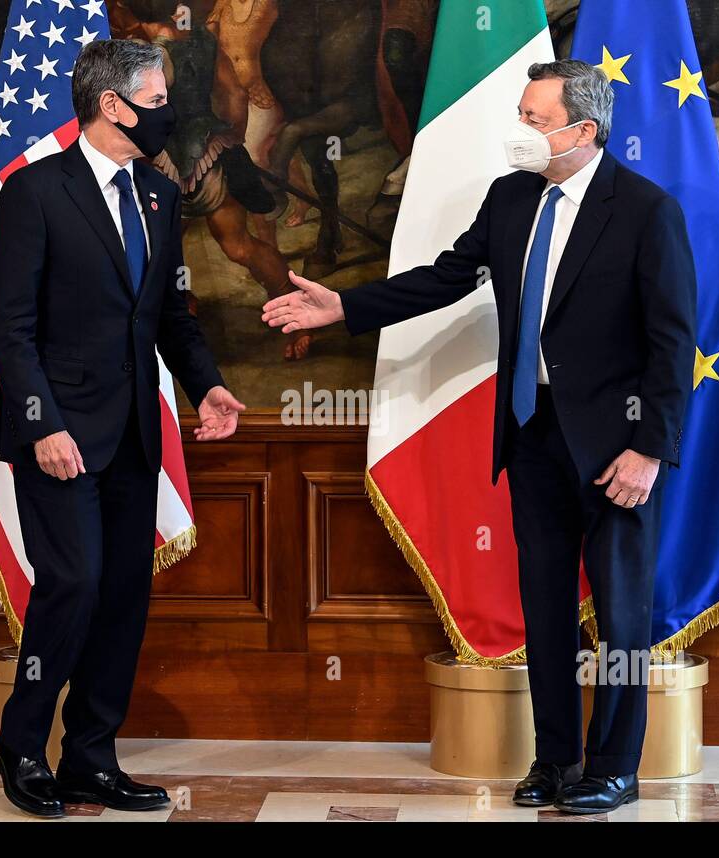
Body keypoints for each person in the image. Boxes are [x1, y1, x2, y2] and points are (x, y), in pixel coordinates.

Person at [262, 59, 696, 814]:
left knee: (624, 617)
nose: (519, 130)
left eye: (534, 117)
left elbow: (672, 341)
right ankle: (556, 759)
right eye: (523, 113)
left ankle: (615, 766)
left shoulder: (645, 210)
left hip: (618, 448)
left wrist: (649, 449)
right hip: (532, 434)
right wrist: (346, 307)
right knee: (547, 606)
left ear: (584, 130)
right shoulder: (511, 198)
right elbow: (446, 277)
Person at [0, 38, 246, 818]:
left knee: (124, 594)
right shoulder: (35, 192)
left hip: (134, 434)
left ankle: (91, 756)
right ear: (112, 105)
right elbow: (11, 328)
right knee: (74, 583)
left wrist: (210, 386)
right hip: (57, 434)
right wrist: (42, 426)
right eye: (158, 101)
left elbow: (168, 315)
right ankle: (22, 742)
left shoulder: (159, 197)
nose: (170, 113)